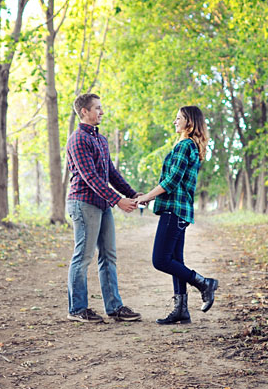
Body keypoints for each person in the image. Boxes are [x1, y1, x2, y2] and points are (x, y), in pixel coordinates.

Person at [136, 106, 218, 325]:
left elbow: (171, 182)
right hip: (180, 210)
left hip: (175, 209)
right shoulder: (190, 146)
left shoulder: (184, 146)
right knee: (175, 260)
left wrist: (147, 198)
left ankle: (203, 283)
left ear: (189, 123)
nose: (174, 121)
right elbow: (176, 180)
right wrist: (150, 195)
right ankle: (181, 309)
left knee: (160, 260)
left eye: (178, 118)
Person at [65, 93, 142, 323]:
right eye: (97, 108)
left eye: (101, 108)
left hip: (101, 202)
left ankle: (114, 307)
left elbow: (110, 173)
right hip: (83, 202)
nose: (101, 112)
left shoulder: (101, 139)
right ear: (84, 112)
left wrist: (131, 194)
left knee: (109, 255)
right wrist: (118, 200)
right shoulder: (78, 139)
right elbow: (89, 176)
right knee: (84, 256)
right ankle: (77, 308)